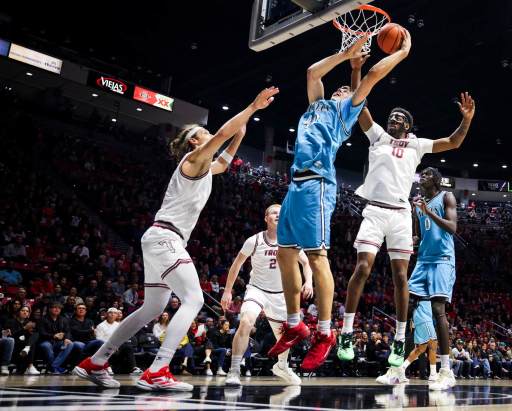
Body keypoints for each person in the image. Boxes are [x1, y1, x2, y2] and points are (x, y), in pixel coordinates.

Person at [73, 86, 279, 391]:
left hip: (161, 239)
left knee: (152, 309)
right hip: (165, 238)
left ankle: (96, 361)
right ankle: (158, 370)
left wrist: (241, 133)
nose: (210, 135)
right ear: (194, 141)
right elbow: (221, 136)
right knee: (194, 298)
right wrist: (251, 107)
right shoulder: (192, 160)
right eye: (204, 132)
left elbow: (224, 159)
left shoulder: (206, 168)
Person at [270, 32, 412, 372]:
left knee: (318, 257)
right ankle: (294, 323)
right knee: (286, 252)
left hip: (318, 185)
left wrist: (403, 52)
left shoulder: (345, 113)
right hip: (295, 184)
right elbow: (312, 73)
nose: (343, 90)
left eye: (349, 90)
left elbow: (373, 76)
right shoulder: (317, 103)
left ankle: (325, 332)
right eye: (343, 88)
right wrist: (345, 53)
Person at [337, 51, 475, 366]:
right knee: (362, 269)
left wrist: (466, 120)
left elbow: (452, 142)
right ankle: (346, 332)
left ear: (409, 125)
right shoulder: (378, 137)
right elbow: (360, 102)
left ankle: (400, 341)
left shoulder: (416, 145)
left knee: (401, 278)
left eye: (400, 117)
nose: (393, 119)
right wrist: (357, 70)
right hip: (374, 211)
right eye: (392, 116)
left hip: (400, 215)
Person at [221, 204, 313, 386]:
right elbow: (237, 265)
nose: (278, 215)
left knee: (285, 336)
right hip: (257, 290)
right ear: (266, 218)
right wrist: (227, 291)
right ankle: (233, 370)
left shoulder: (291, 241)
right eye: (273, 212)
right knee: (246, 322)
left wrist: (308, 281)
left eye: (281, 213)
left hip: (281, 294)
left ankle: (282, 366)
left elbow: (306, 263)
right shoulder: (254, 240)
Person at [408, 168, 459, 391]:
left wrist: (427, 212)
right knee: (406, 303)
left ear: (437, 180)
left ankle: (446, 371)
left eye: (427, 175)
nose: (423, 178)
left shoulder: (446, 197)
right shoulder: (418, 204)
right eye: (422, 176)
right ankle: (398, 366)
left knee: (438, 309)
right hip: (423, 259)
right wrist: (409, 241)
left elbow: (452, 227)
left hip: (442, 259)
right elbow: (418, 234)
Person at [376, 300, 439, 384]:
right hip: (423, 315)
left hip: (420, 317)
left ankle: (401, 368)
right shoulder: (422, 295)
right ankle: (433, 375)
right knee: (432, 345)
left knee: (420, 349)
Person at [38, 302, 74, 374]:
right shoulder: (43, 319)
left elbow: (68, 331)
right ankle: (55, 368)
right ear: (50, 309)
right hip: (46, 340)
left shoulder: (64, 319)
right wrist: (53, 336)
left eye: (59, 308)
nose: (57, 309)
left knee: (70, 344)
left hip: (59, 342)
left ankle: (53, 367)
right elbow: (41, 333)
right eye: (55, 307)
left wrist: (66, 338)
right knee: (46, 346)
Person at [6, 305, 40, 375]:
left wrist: (29, 332)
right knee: (30, 344)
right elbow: (11, 337)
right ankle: (30, 366)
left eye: (27, 311)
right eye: (23, 310)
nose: (25, 312)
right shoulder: (11, 322)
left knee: (36, 334)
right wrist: (24, 328)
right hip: (15, 347)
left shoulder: (29, 323)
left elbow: (32, 336)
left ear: (29, 314)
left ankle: (27, 349)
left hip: (25, 349)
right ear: (18, 312)